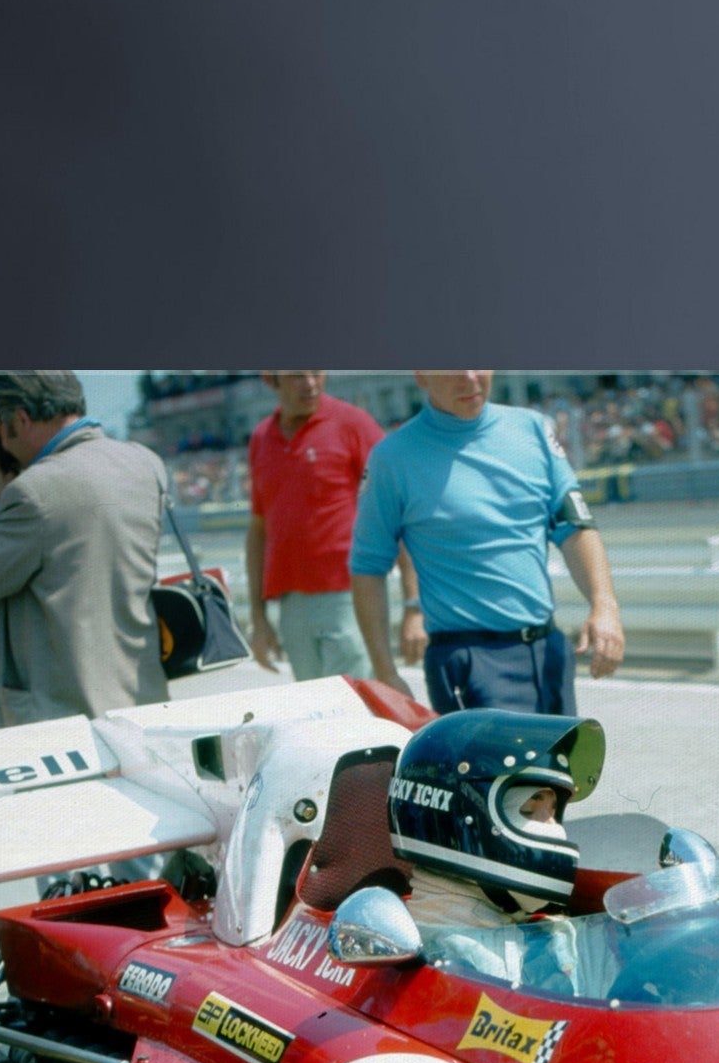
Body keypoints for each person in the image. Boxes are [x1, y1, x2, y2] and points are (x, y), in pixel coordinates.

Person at [348, 370, 625, 713]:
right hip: (469, 663)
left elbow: (575, 526)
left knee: (560, 768)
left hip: (548, 651)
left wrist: (604, 606)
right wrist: (385, 671)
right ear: (420, 374)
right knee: (496, 770)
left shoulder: (534, 430)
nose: (469, 378)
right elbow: (367, 567)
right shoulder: (392, 459)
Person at [0, 371, 169, 727]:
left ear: (20, 419)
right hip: (140, 697)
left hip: (59, 715)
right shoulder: (146, 463)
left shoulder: (33, 491)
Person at [385, 708, 620, 998]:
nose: (555, 831)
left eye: (554, 812)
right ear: (462, 816)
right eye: (529, 807)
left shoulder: (555, 939)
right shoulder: (409, 961)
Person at [246, 371, 423, 683]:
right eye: (298, 375)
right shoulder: (261, 438)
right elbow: (259, 531)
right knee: (316, 715)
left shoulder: (354, 424)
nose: (311, 383)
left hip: (351, 596)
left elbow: (397, 514)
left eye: (318, 372)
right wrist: (258, 620)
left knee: (354, 711)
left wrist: (414, 605)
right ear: (270, 379)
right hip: (291, 604)